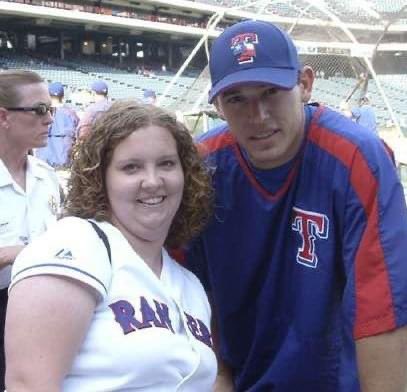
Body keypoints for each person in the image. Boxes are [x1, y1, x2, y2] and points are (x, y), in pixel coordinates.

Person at [185, 20, 407, 392]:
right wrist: (219, 376)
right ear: (217, 105)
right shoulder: (203, 165)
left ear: (304, 84)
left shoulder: (356, 158)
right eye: (236, 98)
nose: (258, 115)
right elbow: (187, 294)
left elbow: (381, 312)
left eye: (271, 91)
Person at [5, 100, 217, 391]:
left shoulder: (189, 285)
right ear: (100, 178)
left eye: (166, 163)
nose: (153, 181)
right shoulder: (77, 244)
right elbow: (28, 385)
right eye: (131, 167)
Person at [0, 70, 61, 391]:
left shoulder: (47, 176)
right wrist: (15, 254)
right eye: (39, 110)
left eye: (50, 110)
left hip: (45, 311)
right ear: (3, 117)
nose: (49, 119)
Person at [35, 82, 79, 168]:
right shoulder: (70, 113)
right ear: (62, 96)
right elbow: (78, 134)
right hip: (63, 159)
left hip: (42, 159)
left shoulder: (41, 112)